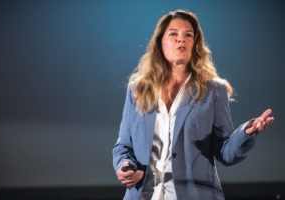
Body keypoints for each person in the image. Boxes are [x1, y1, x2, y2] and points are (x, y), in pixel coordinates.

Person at [112, 9, 274, 200]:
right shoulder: (137, 89)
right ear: (160, 43)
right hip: (143, 194)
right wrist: (125, 166)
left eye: (188, 35)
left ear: (195, 44)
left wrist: (247, 132)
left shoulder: (214, 90)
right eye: (173, 34)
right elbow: (123, 146)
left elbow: (226, 152)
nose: (181, 39)